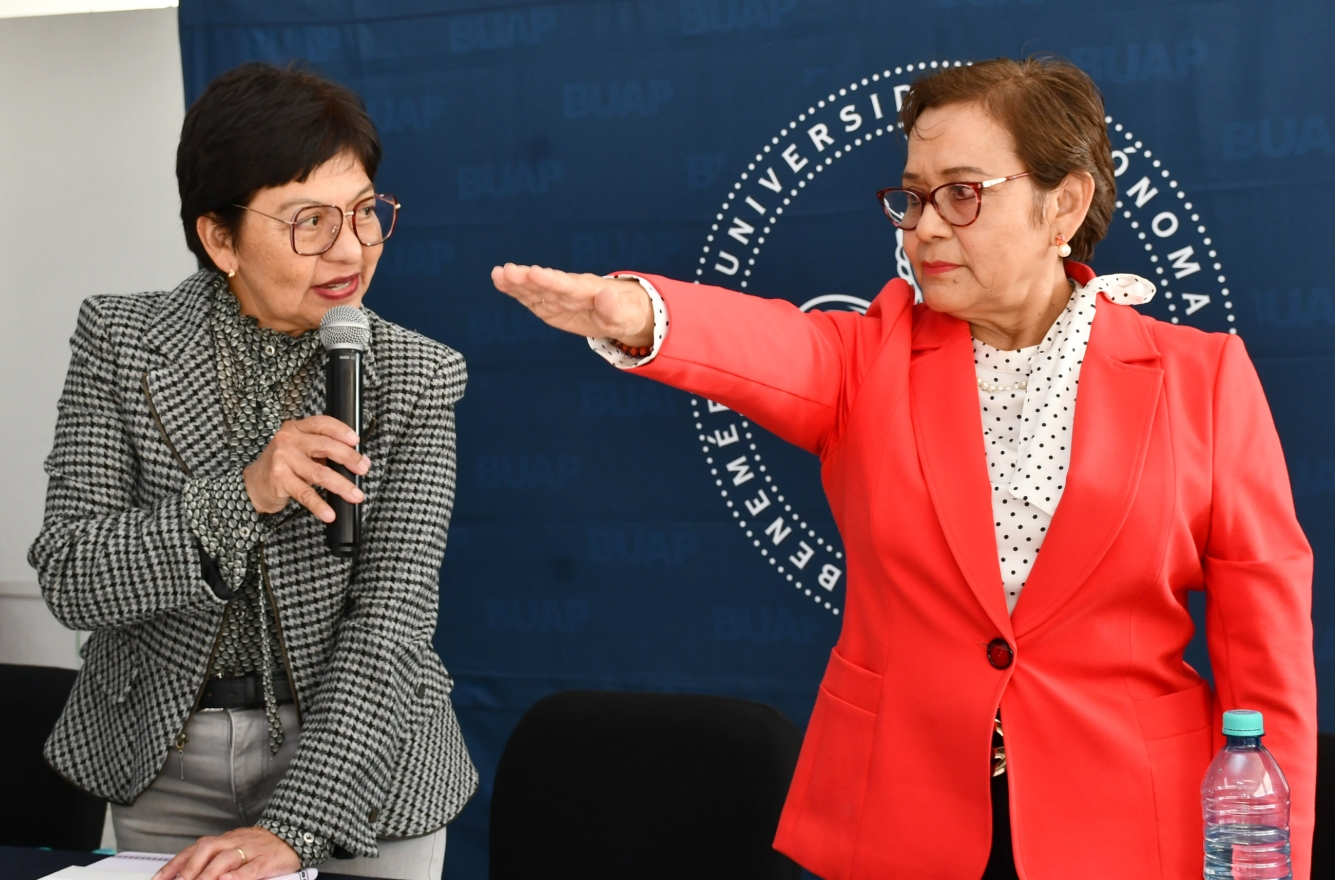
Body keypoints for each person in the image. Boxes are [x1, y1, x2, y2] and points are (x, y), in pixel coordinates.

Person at [492, 57, 1317, 879]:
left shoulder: (1201, 377)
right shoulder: (868, 357)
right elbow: (765, 346)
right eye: (912, 196)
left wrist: (1263, 861)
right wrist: (643, 315)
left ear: (1060, 203)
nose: (921, 227)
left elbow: (1264, 655)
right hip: (898, 827)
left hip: (1132, 829)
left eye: (961, 192)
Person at [30, 63, 475, 880]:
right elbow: (72, 576)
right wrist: (242, 496)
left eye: (364, 213)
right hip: (161, 759)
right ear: (220, 237)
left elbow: (391, 628)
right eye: (309, 221)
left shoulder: (414, 376)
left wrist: (293, 830)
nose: (350, 249)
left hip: (362, 767)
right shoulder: (122, 344)